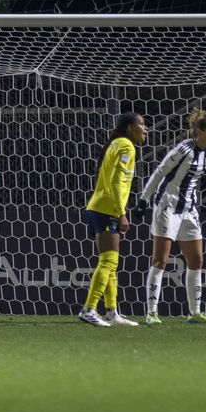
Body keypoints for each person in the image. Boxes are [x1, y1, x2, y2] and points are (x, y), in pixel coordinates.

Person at [137, 109, 206, 325]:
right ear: (199, 132)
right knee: (160, 260)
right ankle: (151, 313)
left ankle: (194, 313)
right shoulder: (183, 149)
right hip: (167, 207)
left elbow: (192, 182)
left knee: (196, 260)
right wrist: (144, 200)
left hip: (189, 210)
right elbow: (160, 172)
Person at [78, 112, 148, 327]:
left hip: (98, 206)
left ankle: (111, 312)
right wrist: (122, 213)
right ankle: (89, 309)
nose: (146, 129)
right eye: (142, 125)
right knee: (109, 261)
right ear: (129, 127)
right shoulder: (127, 146)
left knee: (108, 262)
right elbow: (117, 181)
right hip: (107, 209)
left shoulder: (116, 143)